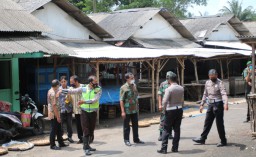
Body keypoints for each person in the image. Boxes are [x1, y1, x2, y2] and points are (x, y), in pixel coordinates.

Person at [63, 75, 102, 156]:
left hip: (93, 113)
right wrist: (61, 90)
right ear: (91, 82)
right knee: (86, 130)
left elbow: (94, 100)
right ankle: (85, 148)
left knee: (91, 130)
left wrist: (83, 102)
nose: (96, 83)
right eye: (95, 81)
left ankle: (88, 145)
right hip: (84, 112)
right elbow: (73, 91)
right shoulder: (84, 88)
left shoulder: (98, 89)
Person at [192, 69, 228, 147]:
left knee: (219, 124)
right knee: (207, 122)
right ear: (209, 76)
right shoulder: (207, 82)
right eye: (211, 77)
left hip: (218, 104)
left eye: (213, 76)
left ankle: (223, 140)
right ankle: (202, 138)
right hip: (210, 104)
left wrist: (225, 103)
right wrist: (202, 104)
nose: (212, 78)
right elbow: (205, 94)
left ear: (216, 75)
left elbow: (224, 93)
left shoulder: (220, 83)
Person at [157, 71, 184, 154]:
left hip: (170, 110)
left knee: (166, 129)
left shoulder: (169, 89)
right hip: (179, 109)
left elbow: (164, 101)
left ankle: (164, 149)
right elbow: (182, 100)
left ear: (169, 80)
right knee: (177, 130)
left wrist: (164, 110)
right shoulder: (181, 88)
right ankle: (175, 148)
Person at [120, 72, 144, 147]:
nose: (133, 79)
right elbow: (121, 100)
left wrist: (134, 88)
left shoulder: (134, 86)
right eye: (131, 78)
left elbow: (136, 95)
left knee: (135, 125)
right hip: (127, 110)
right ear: (127, 79)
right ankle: (126, 140)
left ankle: (136, 139)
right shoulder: (123, 88)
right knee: (126, 126)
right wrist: (123, 111)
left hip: (134, 109)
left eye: (133, 78)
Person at [47, 79, 68, 150]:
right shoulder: (52, 93)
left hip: (55, 112)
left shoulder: (51, 90)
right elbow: (54, 105)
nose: (59, 86)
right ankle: (52, 145)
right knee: (54, 129)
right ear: (56, 86)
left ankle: (60, 142)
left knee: (59, 128)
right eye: (59, 85)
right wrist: (58, 116)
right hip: (54, 113)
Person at [157, 71, 173, 141]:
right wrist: (160, 104)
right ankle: (161, 135)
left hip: (172, 105)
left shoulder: (173, 84)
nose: (168, 78)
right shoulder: (163, 84)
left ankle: (170, 134)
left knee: (171, 120)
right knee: (163, 120)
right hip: (164, 105)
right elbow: (160, 94)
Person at [59, 76, 74, 143]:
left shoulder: (70, 89)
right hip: (61, 109)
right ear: (60, 82)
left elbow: (73, 98)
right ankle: (60, 137)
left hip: (69, 109)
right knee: (61, 124)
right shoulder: (58, 89)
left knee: (69, 124)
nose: (63, 83)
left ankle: (70, 137)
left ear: (67, 82)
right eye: (62, 82)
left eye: (64, 81)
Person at [70, 75, 83, 144]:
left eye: (72, 82)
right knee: (78, 125)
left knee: (84, 125)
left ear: (76, 81)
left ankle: (87, 138)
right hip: (76, 110)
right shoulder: (71, 89)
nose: (71, 83)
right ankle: (81, 138)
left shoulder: (83, 87)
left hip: (83, 110)